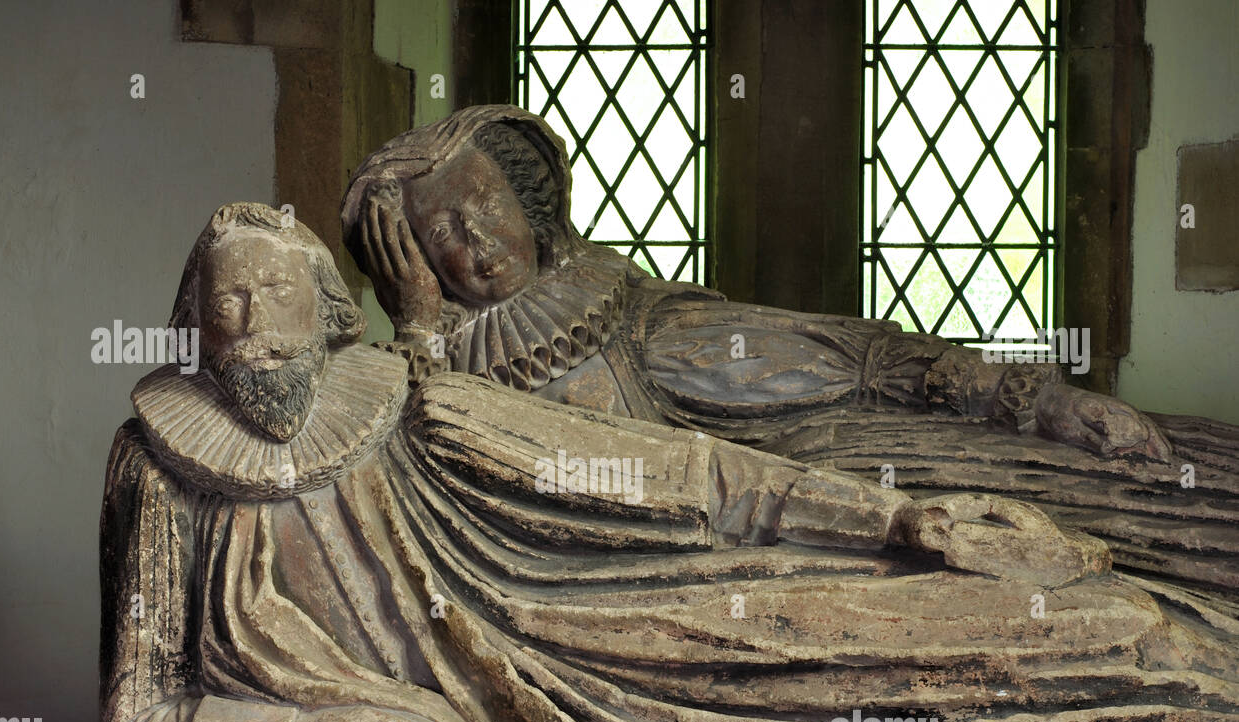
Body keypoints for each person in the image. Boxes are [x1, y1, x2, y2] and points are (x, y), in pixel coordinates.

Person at [66, 203, 1239, 722]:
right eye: (223, 307)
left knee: (992, 623)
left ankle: (1160, 690)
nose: (250, 331)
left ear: (329, 314)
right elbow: (143, 713)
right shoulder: (158, 466)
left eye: (273, 300)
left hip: (614, 622)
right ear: (189, 326)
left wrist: (889, 517)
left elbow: (674, 474)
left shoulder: (414, 407)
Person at [341, 105, 1239, 611]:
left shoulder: (627, 321)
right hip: (651, 581)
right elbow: (431, 476)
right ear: (414, 265)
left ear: (530, 199)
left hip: (838, 481)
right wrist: (420, 326)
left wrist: (1027, 397)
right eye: (438, 235)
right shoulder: (424, 375)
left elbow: (843, 359)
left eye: (485, 205)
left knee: (1129, 508)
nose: (477, 242)